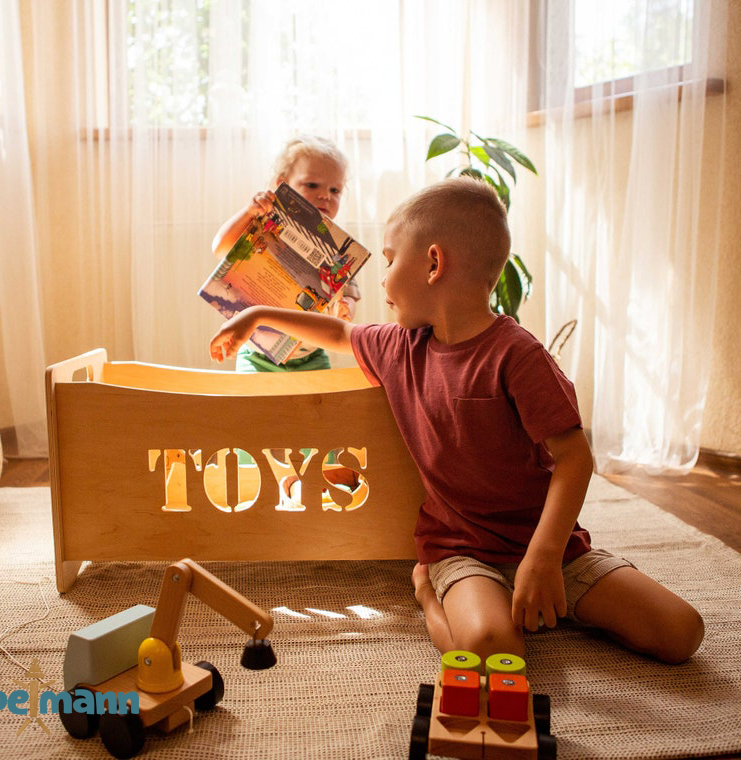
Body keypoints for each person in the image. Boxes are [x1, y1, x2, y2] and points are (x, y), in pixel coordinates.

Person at [209, 177, 704, 665]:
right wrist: (254, 315)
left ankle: (541, 595)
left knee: (682, 632)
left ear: (433, 263)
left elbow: (575, 457)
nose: (381, 279)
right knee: (492, 652)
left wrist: (545, 556)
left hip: (548, 545)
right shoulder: (399, 347)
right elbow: (339, 332)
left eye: (388, 260)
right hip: (461, 551)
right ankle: (428, 591)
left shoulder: (519, 356)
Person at [212, 135, 361, 374]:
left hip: (311, 357)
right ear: (283, 185)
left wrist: (345, 310)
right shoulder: (264, 225)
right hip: (257, 356)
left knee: (318, 410)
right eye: (312, 185)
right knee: (253, 408)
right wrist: (248, 212)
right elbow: (221, 247)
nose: (325, 195)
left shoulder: (338, 252)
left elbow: (350, 298)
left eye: (335, 190)